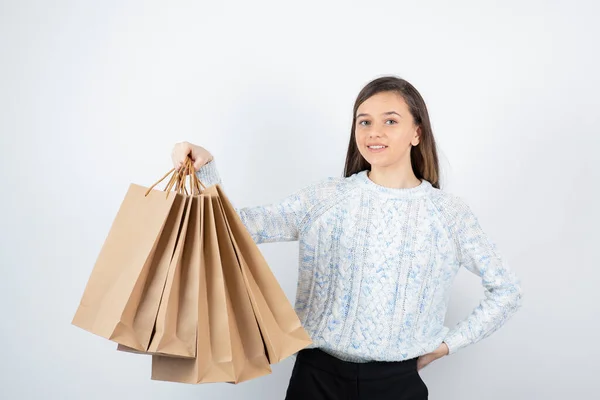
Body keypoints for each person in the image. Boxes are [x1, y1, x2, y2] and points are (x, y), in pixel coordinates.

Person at [170, 76, 524, 400]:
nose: (374, 131)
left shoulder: (448, 215)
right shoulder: (326, 199)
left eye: (390, 120)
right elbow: (238, 228)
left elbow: (507, 290)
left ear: (417, 132)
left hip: (396, 385)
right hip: (316, 377)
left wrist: (446, 345)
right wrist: (205, 170)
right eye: (364, 121)